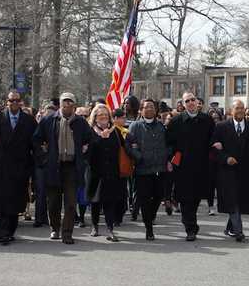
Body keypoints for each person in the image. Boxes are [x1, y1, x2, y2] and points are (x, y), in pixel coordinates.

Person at [33, 92, 92, 245]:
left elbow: (91, 141)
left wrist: (84, 155)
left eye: (70, 104)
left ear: (74, 106)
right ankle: (55, 228)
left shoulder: (81, 122)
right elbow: (36, 140)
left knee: (71, 203)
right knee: (53, 202)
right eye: (65, 103)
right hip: (53, 166)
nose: (67, 106)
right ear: (60, 104)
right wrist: (44, 159)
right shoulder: (48, 120)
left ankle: (67, 233)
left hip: (72, 167)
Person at [0, 91, 38, 245]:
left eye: (17, 100)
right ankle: (3, 233)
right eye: (11, 100)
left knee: (16, 201)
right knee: (1, 201)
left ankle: (10, 230)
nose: (14, 103)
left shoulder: (28, 120)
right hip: (1, 166)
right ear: (6, 101)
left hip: (20, 166)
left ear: (21, 102)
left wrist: (34, 164)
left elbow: (34, 143)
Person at [166, 91, 215, 241]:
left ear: (197, 101)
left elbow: (213, 140)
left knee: (196, 198)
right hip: (183, 166)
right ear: (183, 104)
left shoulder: (207, 120)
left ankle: (191, 222)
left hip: (201, 165)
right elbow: (169, 144)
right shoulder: (176, 121)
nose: (191, 103)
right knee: (186, 198)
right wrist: (170, 160)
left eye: (192, 100)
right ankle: (190, 228)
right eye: (187, 101)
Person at [211, 100, 249, 241]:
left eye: (242, 108)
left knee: (240, 200)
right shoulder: (221, 127)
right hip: (227, 171)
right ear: (231, 110)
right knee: (231, 199)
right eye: (237, 108)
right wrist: (225, 158)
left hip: (245, 171)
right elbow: (213, 148)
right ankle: (238, 231)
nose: (240, 110)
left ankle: (230, 228)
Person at [126, 98, 170, 240]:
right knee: (144, 199)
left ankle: (150, 217)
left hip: (160, 168)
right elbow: (129, 145)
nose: (149, 109)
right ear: (141, 110)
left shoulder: (161, 127)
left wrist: (166, 157)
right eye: (146, 107)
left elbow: (168, 144)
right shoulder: (135, 126)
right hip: (142, 170)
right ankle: (148, 228)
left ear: (155, 110)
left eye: (152, 107)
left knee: (158, 196)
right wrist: (139, 156)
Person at [87, 104, 127, 241]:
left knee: (110, 202)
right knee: (96, 201)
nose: (103, 117)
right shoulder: (90, 131)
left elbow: (123, 147)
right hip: (96, 172)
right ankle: (95, 226)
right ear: (95, 117)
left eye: (105, 114)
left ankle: (110, 229)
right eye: (100, 115)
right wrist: (100, 138)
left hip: (112, 172)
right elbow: (88, 150)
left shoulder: (115, 131)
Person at [32, 103, 57, 228]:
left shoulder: (59, 125)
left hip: (54, 163)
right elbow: (35, 143)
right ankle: (39, 218)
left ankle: (50, 218)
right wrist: (43, 153)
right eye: (47, 113)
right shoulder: (40, 126)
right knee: (40, 192)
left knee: (52, 193)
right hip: (41, 163)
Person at [74, 106, 92, 229]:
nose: (82, 118)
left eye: (85, 116)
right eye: (80, 115)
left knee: (82, 193)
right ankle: (73, 215)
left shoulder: (91, 129)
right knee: (71, 193)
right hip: (70, 165)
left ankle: (81, 217)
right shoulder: (68, 127)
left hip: (85, 165)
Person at [206, 107, 224, 216]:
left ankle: (221, 205)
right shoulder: (207, 129)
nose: (215, 120)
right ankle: (210, 206)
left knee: (221, 184)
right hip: (210, 159)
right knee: (211, 184)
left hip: (222, 159)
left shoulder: (224, 128)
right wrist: (212, 144)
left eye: (217, 118)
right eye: (213, 118)